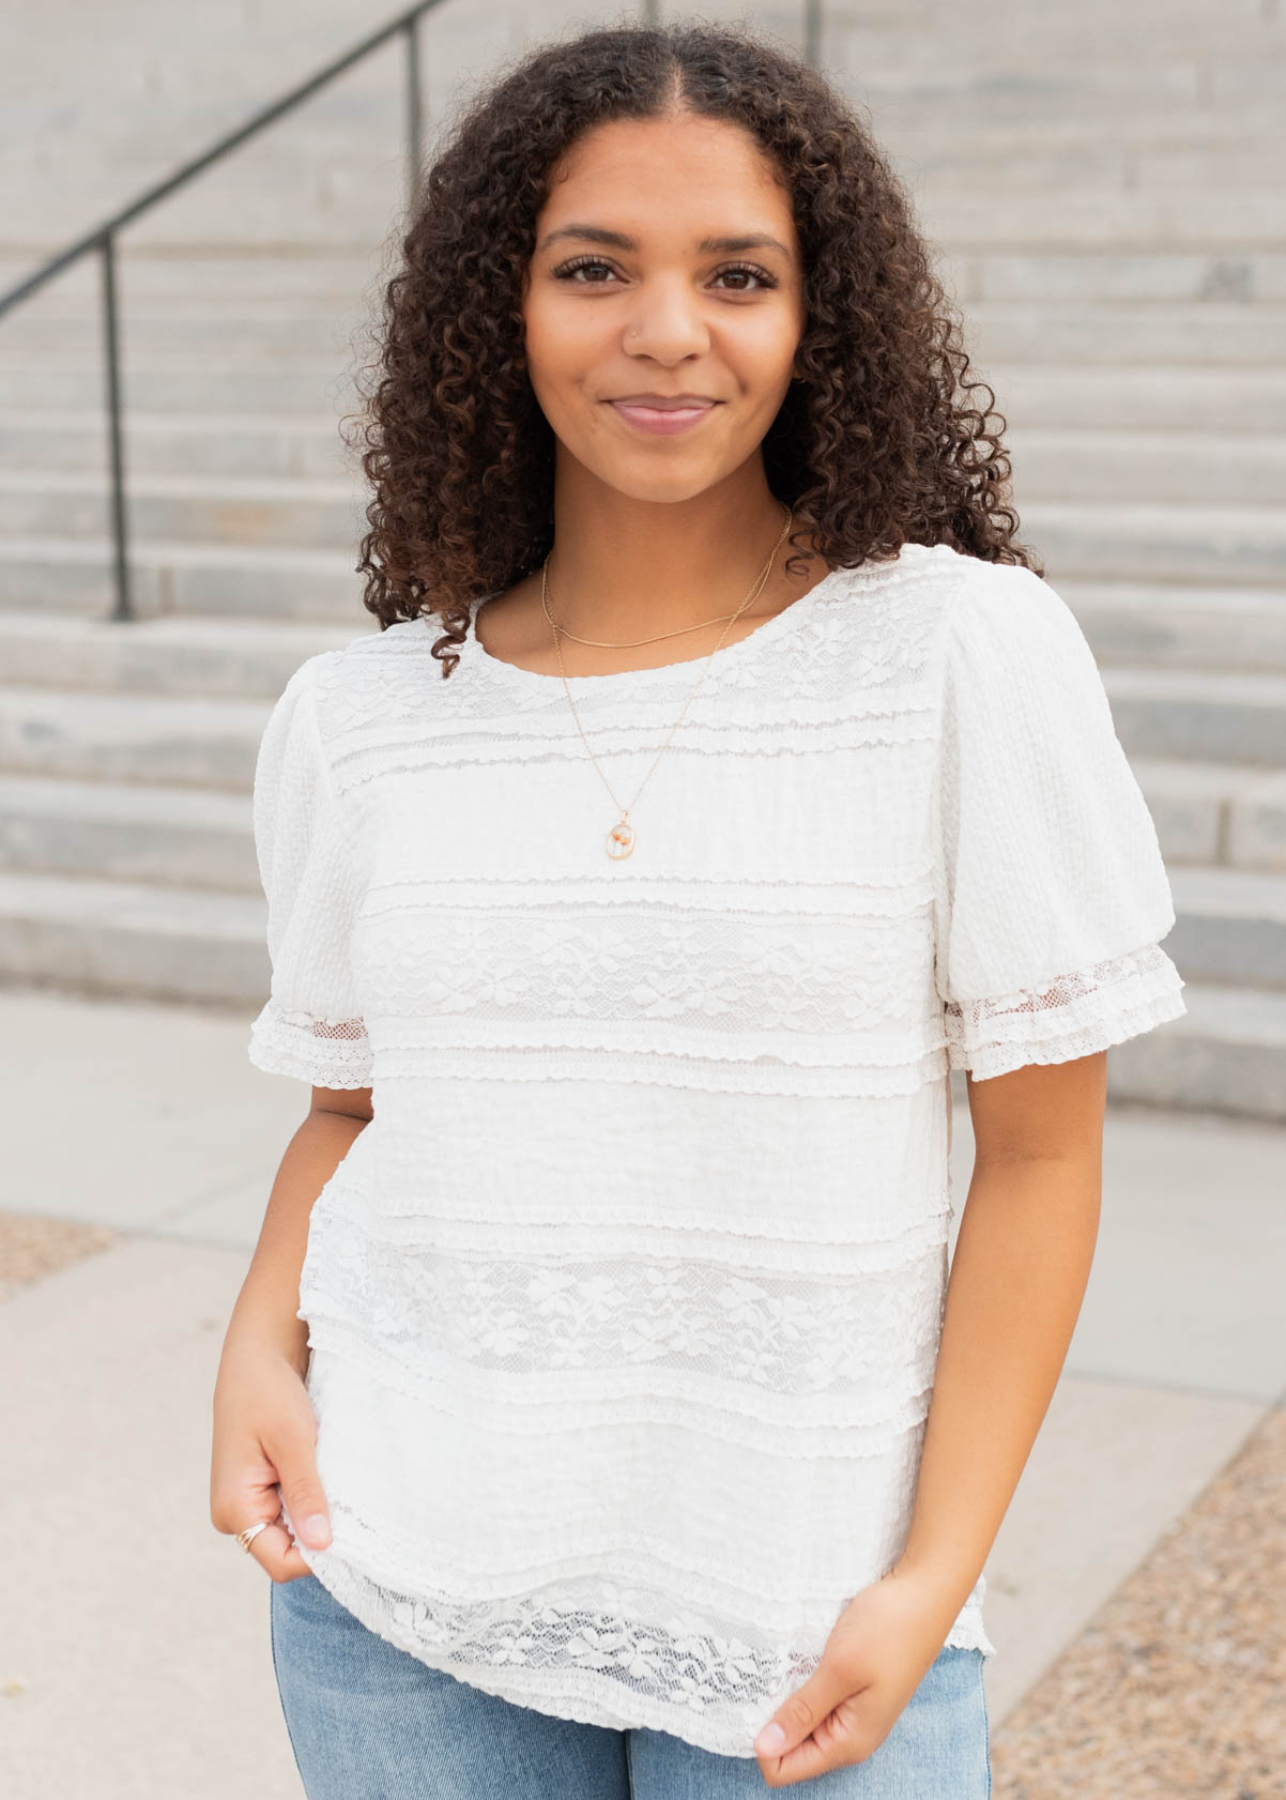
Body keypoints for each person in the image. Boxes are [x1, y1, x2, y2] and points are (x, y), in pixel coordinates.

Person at [210, 20, 1188, 1797]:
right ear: (495, 314)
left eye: (737, 273)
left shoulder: (955, 655)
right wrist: (251, 1346)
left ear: (821, 317)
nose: (668, 330)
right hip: (396, 1581)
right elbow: (350, 1109)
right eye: (594, 269)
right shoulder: (356, 721)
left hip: (806, 1622)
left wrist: (929, 1576)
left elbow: (1040, 1157)